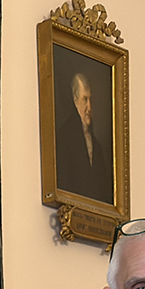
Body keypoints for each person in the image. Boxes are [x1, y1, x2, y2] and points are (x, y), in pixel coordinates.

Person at [55, 69, 112, 203]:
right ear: (75, 101)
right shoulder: (63, 138)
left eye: (90, 100)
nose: (89, 107)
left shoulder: (96, 146)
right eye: (85, 100)